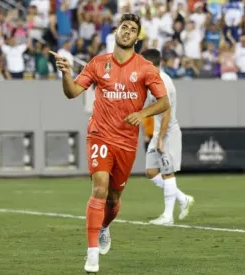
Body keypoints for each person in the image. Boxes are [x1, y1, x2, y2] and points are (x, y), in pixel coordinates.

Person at [50, 13, 170, 273]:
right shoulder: (97, 63)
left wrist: (142, 113)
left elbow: (163, 102)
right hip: (100, 134)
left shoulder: (145, 68)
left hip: (126, 142)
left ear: (137, 38)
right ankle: (92, 254)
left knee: (114, 198)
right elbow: (72, 93)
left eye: (132, 29)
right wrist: (67, 73)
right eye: (123, 27)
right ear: (116, 32)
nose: (127, 31)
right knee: (100, 188)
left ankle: (105, 227)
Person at [141, 49, 194, 225]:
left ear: (150, 64)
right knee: (150, 172)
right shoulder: (151, 81)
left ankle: (167, 216)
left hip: (168, 133)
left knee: (167, 172)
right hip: (158, 132)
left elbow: (166, 114)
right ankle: (183, 198)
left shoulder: (164, 82)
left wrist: (161, 138)